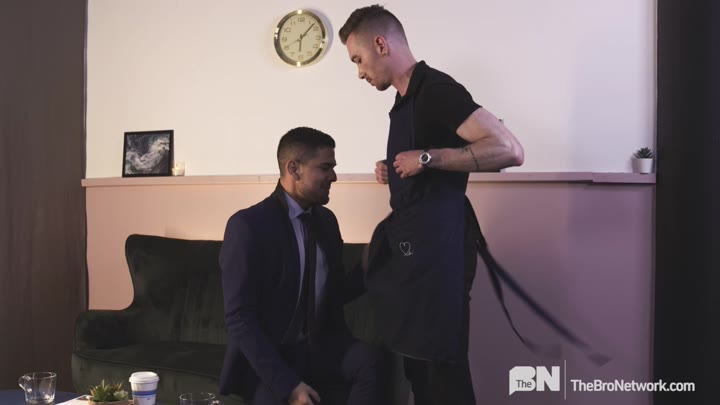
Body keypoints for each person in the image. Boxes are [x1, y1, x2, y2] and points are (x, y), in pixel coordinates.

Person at [339, 5, 524, 405]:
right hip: (416, 256)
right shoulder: (404, 100)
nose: (359, 72)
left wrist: (426, 158)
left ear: (381, 44)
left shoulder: (436, 90)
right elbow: (427, 161)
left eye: (358, 59)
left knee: (443, 378)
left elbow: (509, 150)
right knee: (420, 375)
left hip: (439, 260)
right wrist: (395, 167)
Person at [218, 127, 382, 405]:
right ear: (293, 169)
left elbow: (333, 293)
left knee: (370, 360)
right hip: (271, 355)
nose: (333, 176)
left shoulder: (327, 221)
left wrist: (368, 267)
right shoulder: (248, 226)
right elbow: (239, 319)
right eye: (325, 167)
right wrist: (289, 386)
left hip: (316, 347)